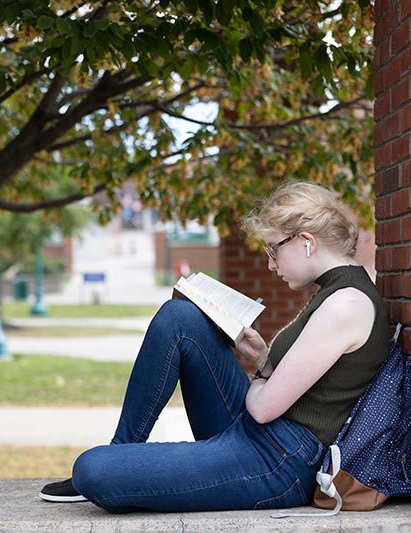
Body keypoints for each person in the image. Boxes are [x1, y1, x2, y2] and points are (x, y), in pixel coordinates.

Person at [38, 180, 389, 512]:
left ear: (306, 242)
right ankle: (123, 451)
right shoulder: (335, 292)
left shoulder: (346, 304)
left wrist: (260, 381)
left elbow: (263, 408)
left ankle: (119, 466)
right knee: (179, 317)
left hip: (278, 463)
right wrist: (263, 360)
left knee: (92, 470)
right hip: (260, 436)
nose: (271, 264)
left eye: (274, 249)